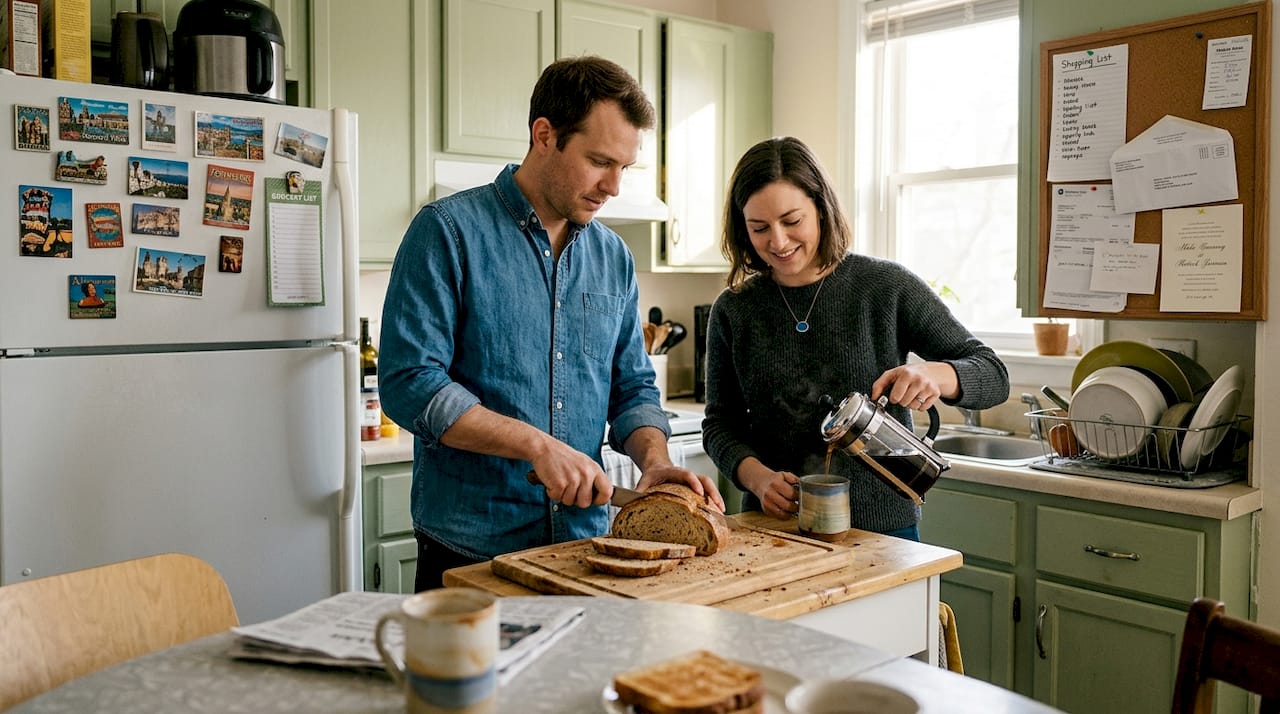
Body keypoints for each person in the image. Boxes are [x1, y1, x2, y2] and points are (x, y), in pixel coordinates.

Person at [379, 56, 724, 591]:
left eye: (624, 168)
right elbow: (408, 384)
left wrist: (653, 462)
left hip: (586, 548)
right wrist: (535, 445)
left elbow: (632, 387)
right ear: (545, 134)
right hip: (471, 552)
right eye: (599, 161)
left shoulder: (613, 256)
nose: (613, 186)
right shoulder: (447, 232)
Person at [702, 136, 1009, 541]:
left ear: (822, 211)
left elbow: (993, 375)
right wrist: (757, 479)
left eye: (792, 221)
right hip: (774, 527)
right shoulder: (735, 309)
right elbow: (720, 425)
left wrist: (936, 375)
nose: (777, 241)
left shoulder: (884, 287)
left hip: (885, 529)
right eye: (759, 228)